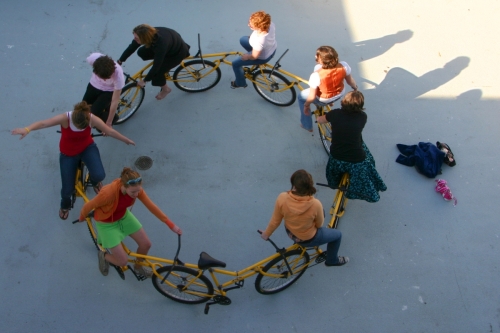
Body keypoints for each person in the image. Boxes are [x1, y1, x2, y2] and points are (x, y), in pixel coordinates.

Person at [11, 101, 135, 220]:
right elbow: (44, 123)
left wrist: (126, 140)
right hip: (68, 154)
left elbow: (109, 131)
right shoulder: (65, 118)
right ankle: (65, 205)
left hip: (87, 148)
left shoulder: (92, 118)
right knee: (67, 190)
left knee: (99, 175)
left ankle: (94, 181)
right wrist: (27, 129)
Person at [79, 167, 182, 278]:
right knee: (122, 261)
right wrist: (82, 217)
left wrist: (170, 224)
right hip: (106, 223)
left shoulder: (137, 190)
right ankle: (103, 256)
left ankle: (138, 267)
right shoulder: (108, 193)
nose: (137, 194)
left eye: (138, 191)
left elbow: (152, 207)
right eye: (133, 192)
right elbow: (88, 206)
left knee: (146, 244)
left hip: (123, 216)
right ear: (124, 186)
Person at [260, 169, 349, 267]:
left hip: (291, 232)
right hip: (308, 238)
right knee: (337, 235)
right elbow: (319, 225)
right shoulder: (315, 204)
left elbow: (275, 221)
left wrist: (267, 233)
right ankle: (332, 260)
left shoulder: (282, 197)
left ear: (294, 185)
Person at [317, 91, 387, 202]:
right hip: (356, 160)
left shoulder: (334, 114)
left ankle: (335, 183)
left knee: (334, 169)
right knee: (368, 161)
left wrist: (318, 117)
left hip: (337, 157)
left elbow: (320, 120)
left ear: (343, 102)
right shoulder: (362, 117)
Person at [118, 24, 190, 100]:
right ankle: (161, 60)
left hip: (177, 53)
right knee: (141, 52)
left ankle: (166, 89)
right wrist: (120, 60)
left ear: (145, 38)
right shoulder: (147, 34)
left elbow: (156, 65)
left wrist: (145, 80)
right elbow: (131, 47)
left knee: (157, 74)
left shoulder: (161, 44)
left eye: (136, 38)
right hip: (170, 43)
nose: (134, 39)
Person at [298, 46, 358, 132]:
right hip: (339, 93)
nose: (315, 57)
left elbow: (312, 96)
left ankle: (307, 125)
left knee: (301, 97)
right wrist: (355, 87)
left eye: (317, 56)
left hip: (323, 99)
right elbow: (350, 82)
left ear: (322, 61)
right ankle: (330, 103)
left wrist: (306, 106)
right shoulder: (344, 66)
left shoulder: (316, 75)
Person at [231, 11, 277, 89]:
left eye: (251, 26)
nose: (248, 25)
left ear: (260, 27)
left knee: (235, 64)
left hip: (261, 57)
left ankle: (240, 83)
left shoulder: (260, 40)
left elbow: (254, 56)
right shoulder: (270, 24)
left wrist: (248, 57)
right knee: (243, 40)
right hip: (271, 49)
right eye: (249, 22)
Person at [82, 53, 125, 127]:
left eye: (107, 78)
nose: (105, 80)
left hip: (108, 91)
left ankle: (114, 117)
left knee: (93, 114)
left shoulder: (118, 77)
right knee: (83, 107)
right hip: (93, 84)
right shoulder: (92, 59)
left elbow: (115, 101)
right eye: (102, 77)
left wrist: (109, 122)